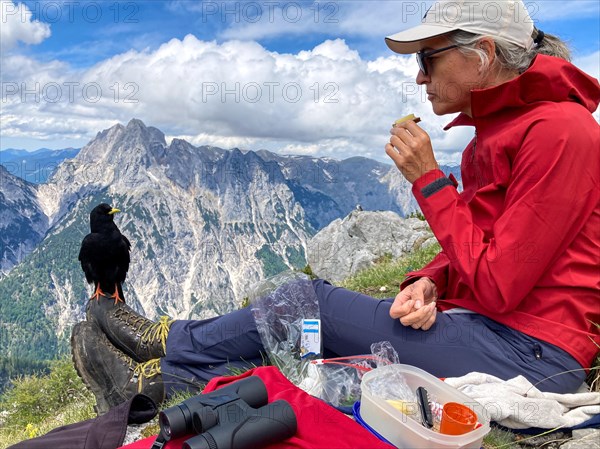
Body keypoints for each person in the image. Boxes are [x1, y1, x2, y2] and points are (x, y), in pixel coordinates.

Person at [72, 0, 600, 415]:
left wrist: (429, 182)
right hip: (497, 333)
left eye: (427, 58)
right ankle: (157, 384)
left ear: (481, 53)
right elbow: (492, 242)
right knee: (306, 344)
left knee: (311, 303)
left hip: (529, 355)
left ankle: (166, 341)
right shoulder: (506, 131)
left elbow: (502, 281)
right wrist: (431, 279)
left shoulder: (560, 132)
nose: (420, 76)